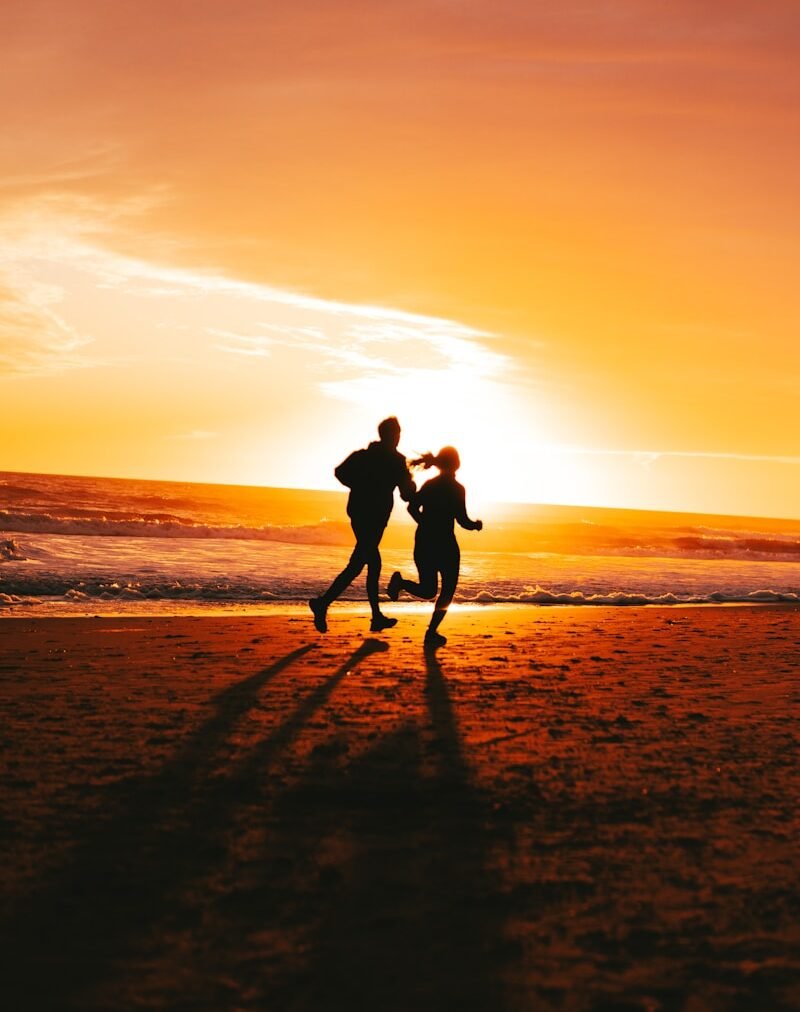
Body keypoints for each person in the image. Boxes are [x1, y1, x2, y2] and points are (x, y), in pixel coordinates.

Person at [309, 417, 415, 633]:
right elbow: (406, 495)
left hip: (359, 513)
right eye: (397, 433)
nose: (399, 437)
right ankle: (326, 604)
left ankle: (370, 615)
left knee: (368, 563)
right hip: (374, 517)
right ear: (393, 435)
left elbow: (339, 472)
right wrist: (410, 482)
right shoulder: (396, 460)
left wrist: (358, 486)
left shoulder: (365, 455)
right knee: (362, 564)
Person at [387, 446, 482, 648]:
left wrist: (424, 523)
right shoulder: (457, 489)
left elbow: (412, 507)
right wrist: (475, 525)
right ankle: (431, 632)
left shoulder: (430, 484)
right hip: (446, 544)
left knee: (428, 590)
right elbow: (462, 520)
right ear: (457, 464)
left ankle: (401, 583)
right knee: (447, 591)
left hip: (425, 541)